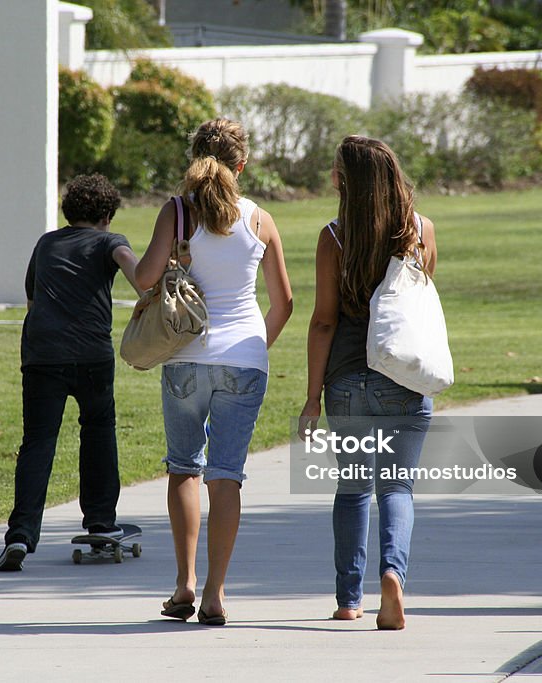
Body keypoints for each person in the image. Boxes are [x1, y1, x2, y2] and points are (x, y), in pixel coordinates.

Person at [135, 118, 293, 624]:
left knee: (184, 466)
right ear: (241, 165)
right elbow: (284, 302)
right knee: (227, 477)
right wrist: (253, 350)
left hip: (185, 359)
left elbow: (144, 280)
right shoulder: (260, 220)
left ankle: (183, 585)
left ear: (193, 158)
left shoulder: (177, 214)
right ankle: (216, 595)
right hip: (244, 360)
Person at [298, 136, 435, 629]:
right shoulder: (421, 231)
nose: (331, 176)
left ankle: (348, 599)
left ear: (349, 181)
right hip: (402, 378)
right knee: (397, 487)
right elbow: (417, 305)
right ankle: (393, 577)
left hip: (347, 380)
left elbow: (323, 322)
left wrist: (312, 397)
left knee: (353, 488)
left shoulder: (333, 237)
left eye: (336, 170)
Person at [0, 173, 139, 571]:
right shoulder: (111, 241)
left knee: (38, 442)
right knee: (97, 430)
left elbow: (31, 299)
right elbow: (134, 270)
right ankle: (100, 520)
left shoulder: (46, 244)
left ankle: (21, 536)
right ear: (108, 214)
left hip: (41, 355)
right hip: (92, 355)